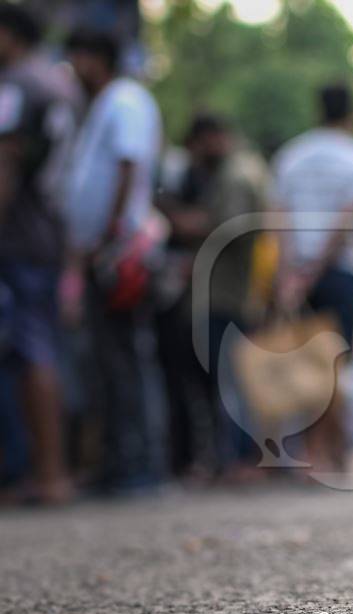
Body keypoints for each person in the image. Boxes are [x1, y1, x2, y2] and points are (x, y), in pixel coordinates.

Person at [61, 29, 166, 494]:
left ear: (94, 58)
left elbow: (128, 164)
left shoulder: (124, 99)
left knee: (125, 359)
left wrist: (108, 235)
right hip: (105, 251)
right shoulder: (104, 104)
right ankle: (118, 462)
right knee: (106, 361)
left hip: (120, 251)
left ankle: (139, 465)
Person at [271, 81, 353, 472]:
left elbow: (280, 220)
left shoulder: (291, 156)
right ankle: (328, 452)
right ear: (352, 114)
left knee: (305, 361)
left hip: (297, 271)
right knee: (335, 364)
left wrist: (290, 277)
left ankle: (321, 452)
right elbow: (348, 221)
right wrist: (316, 269)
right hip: (340, 271)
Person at [157, 113, 270, 480]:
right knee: (231, 379)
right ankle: (236, 459)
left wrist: (184, 224)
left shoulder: (236, 173)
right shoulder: (246, 168)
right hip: (232, 293)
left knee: (228, 381)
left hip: (222, 294)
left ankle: (239, 461)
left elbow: (229, 228)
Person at [0, 4, 77, 503]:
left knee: (30, 351)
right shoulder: (58, 85)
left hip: (19, 235)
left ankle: (48, 474)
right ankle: (46, 471)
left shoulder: (17, 86)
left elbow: (4, 162)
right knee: (37, 348)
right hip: (49, 232)